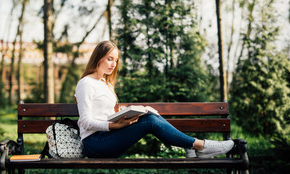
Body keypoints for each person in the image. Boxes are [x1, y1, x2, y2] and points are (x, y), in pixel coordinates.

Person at [75, 40, 234, 158]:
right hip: (94, 143)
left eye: (116, 60)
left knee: (150, 115)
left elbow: (104, 113)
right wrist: (114, 126)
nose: (113, 64)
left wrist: (124, 114)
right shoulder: (86, 84)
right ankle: (200, 145)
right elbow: (85, 121)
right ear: (98, 58)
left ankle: (192, 147)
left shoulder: (105, 83)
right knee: (150, 121)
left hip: (108, 137)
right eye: (110, 59)